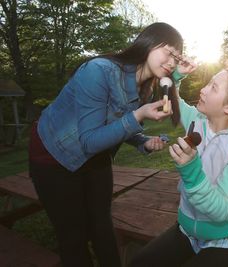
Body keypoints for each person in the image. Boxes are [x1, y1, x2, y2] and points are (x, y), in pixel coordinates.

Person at [28, 22, 196, 267]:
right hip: (55, 155)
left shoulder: (145, 87)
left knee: (101, 224)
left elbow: (112, 122)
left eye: (176, 57)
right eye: (168, 52)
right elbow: (89, 140)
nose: (171, 62)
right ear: (147, 42)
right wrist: (138, 117)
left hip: (95, 154)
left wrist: (142, 141)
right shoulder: (98, 71)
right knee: (73, 235)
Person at [130, 66, 228, 267]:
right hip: (189, 230)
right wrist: (175, 76)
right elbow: (174, 100)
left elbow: (223, 211)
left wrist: (190, 169)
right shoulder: (198, 120)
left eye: (214, 88)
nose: (203, 89)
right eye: (208, 83)